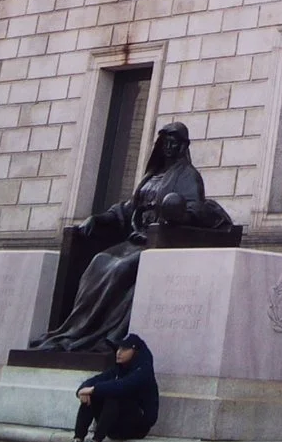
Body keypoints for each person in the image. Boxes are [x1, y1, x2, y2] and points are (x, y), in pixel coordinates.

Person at [33, 122, 231, 351]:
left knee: (119, 269)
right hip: (135, 237)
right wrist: (100, 218)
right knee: (99, 261)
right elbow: (128, 208)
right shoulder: (152, 175)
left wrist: (176, 214)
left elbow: (195, 209)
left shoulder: (189, 176)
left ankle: (94, 333)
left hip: (159, 243)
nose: (169, 146)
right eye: (165, 141)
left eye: (174, 142)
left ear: (183, 146)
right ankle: (75, 329)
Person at [60, 333, 159, 442]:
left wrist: (94, 389)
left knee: (114, 394)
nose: (119, 352)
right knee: (90, 396)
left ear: (135, 351)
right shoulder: (118, 369)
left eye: (124, 349)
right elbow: (95, 380)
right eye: (118, 349)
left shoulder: (144, 371)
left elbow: (123, 385)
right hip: (116, 427)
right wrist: (82, 391)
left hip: (137, 427)